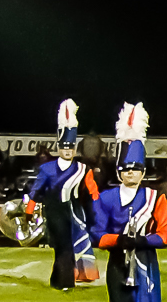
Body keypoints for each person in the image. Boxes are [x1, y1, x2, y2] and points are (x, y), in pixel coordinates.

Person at [91, 104, 167, 302]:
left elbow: (166, 234)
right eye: (126, 169)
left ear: (143, 172)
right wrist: (118, 240)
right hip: (118, 264)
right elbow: (96, 234)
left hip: (146, 263)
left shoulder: (155, 198)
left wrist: (144, 241)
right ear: (118, 172)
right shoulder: (105, 198)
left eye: (136, 169)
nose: (131, 174)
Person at [9, 99, 99, 291]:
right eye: (64, 147)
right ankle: (64, 281)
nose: (67, 151)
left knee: (66, 247)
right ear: (59, 148)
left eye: (70, 148)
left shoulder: (83, 169)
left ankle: (60, 281)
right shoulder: (47, 168)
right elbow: (36, 191)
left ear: (74, 149)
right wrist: (29, 211)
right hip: (54, 211)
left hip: (75, 211)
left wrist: (98, 211)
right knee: (61, 246)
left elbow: (93, 192)